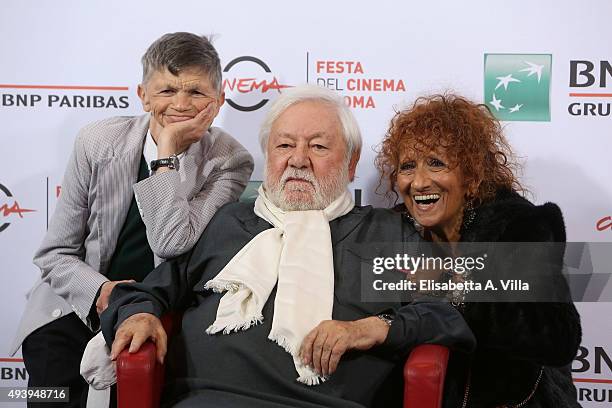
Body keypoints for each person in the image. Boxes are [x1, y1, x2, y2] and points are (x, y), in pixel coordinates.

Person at [99, 85, 475, 408]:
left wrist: (371, 328)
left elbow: (448, 314)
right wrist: (140, 315)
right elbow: (149, 292)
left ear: (350, 164)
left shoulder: (385, 233)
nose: (298, 159)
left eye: (317, 146)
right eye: (284, 145)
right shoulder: (228, 222)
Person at [12, 32, 254, 407]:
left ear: (219, 100)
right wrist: (103, 291)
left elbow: (170, 242)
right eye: (167, 91)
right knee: (49, 399)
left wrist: (167, 152)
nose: (181, 104)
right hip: (73, 304)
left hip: (153, 312)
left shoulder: (230, 161)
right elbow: (55, 254)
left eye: (196, 93)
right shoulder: (97, 141)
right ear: (142, 95)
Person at [376, 94, 582, 407]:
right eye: (407, 166)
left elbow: (556, 336)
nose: (418, 182)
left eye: (436, 163)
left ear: (471, 177)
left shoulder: (517, 228)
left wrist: (451, 285)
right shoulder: (395, 228)